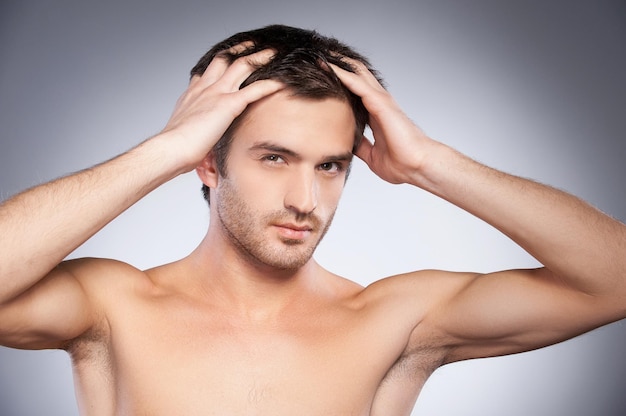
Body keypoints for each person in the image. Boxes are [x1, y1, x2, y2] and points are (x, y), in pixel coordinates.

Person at [0, 24, 624, 415]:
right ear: (209, 164)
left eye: (330, 165)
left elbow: (614, 279)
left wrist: (431, 163)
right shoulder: (114, 306)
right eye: (275, 158)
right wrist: (164, 150)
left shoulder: (394, 322)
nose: (307, 198)